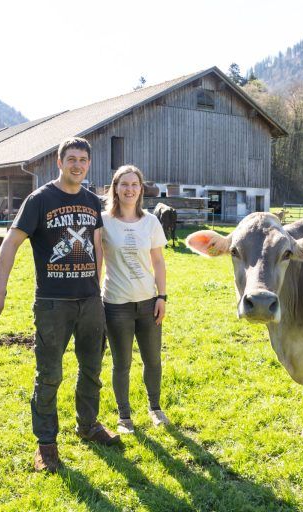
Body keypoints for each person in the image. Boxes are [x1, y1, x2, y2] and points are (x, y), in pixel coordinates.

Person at [0, 136, 120, 473]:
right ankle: (46, 445)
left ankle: (88, 426)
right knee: (49, 375)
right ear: (59, 163)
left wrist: (97, 289)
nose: (77, 165)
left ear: (88, 164)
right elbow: (11, 244)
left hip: (89, 301)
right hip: (53, 304)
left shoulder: (91, 200)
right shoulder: (39, 200)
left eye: (83, 160)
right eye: (71, 159)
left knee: (92, 369)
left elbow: (97, 244)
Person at [101, 165, 169, 434]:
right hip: (116, 304)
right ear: (115, 188)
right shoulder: (104, 221)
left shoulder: (151, 221)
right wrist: (96, 297)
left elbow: (159, 263)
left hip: (148, 303)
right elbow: (97, 262)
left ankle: (155, 408)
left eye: (135, 184)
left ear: (141, 189)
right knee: (122, 363)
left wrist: (162, 296)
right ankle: (124, 416)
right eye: (124, 184)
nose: (129, 189)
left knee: (153, 360)